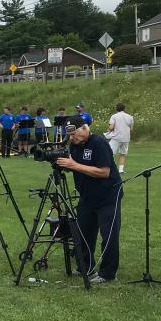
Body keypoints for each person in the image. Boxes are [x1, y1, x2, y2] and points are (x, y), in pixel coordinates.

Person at [56, 116, 123, 284]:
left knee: (108, 235)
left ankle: (108, 273)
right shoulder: (74, 146)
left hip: (108, 195)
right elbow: (77, 168)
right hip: (87, 196)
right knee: (83, 233)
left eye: (75, 134)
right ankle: (86, 266)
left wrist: (74, 166)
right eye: (70, 135)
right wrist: (64, 165)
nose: (72, 138)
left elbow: (104, 172)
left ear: (85, 128)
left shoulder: (99, 143)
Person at [105, 102, 134, 174]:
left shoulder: (114, 116)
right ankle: (121, 170)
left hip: (116, 138)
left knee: (109, 153)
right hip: (126, 138)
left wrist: (109, 130)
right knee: (122, 153)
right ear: (124, 108)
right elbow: (131, 129)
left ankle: (111, 168)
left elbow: (111, 127)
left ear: (116, 108)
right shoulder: (130, 117)